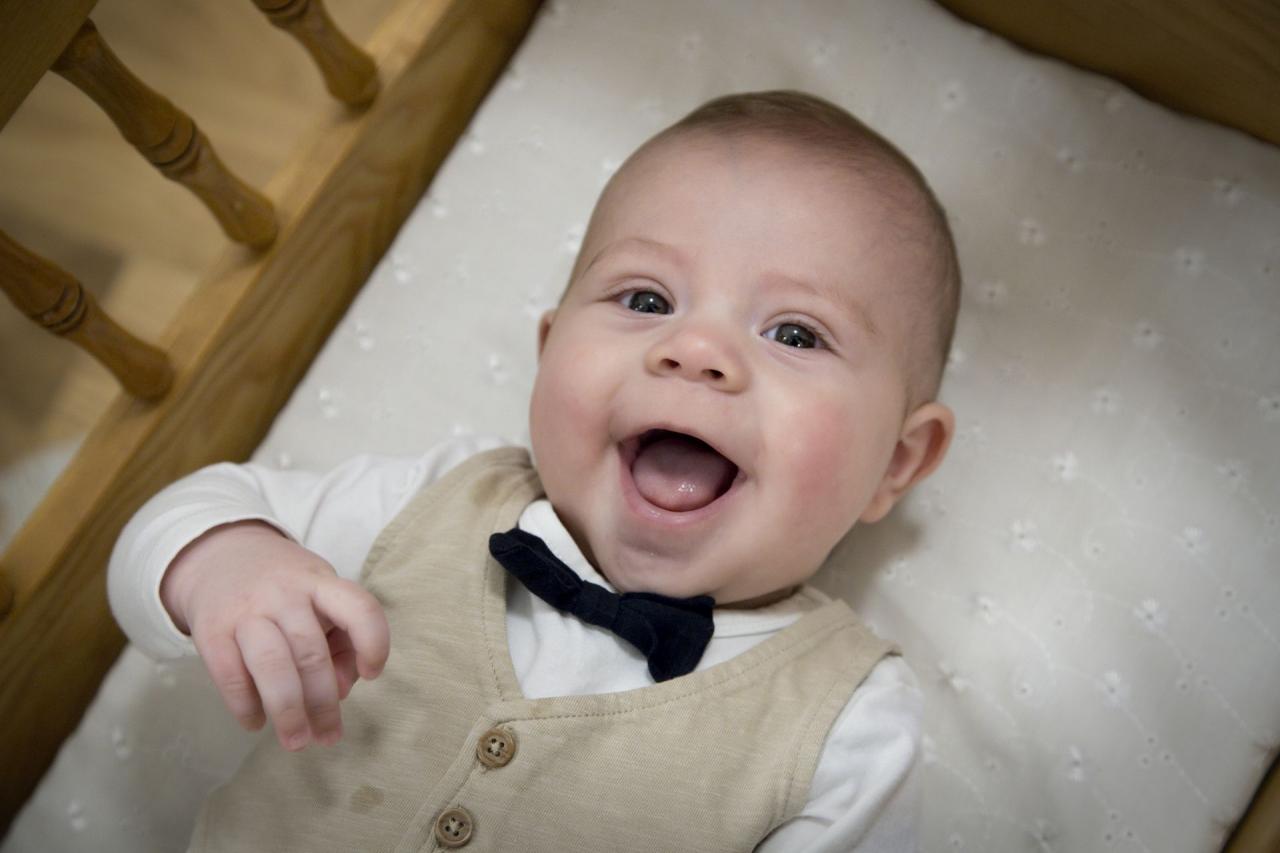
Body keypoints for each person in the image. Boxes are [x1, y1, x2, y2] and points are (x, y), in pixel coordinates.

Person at [109, 89, 960, 852]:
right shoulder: (437, 501)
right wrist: (225, 563)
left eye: (796, 334)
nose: (696, 348)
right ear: (549, 352)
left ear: (896, 459)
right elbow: (187, 513)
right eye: (646, 300)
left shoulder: (848, 726)